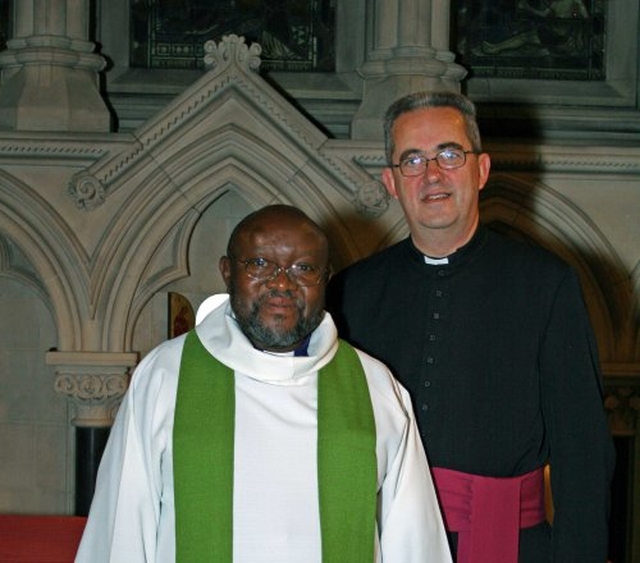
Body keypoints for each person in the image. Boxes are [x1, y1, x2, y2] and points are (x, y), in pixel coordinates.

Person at [326, 91, 615, 563]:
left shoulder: (546, 283)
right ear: (391, 182)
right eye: (412, 160)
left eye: (448, 154)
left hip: (509, 546)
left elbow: (582, 457)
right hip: (381, 543)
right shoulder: (351, 293)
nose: (432, 174)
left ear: (480, 170)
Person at [75, 204, 453, 563]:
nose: (282, 284)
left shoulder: (374, 387)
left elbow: (414, 539)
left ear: (325, 279)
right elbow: (121, 529)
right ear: (227, 271)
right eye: (260, 264)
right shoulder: (164, 376)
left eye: (304, 268)